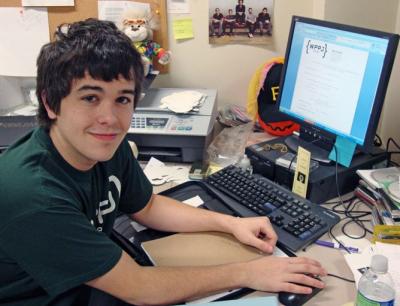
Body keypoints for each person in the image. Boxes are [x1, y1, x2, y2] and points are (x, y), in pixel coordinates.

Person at [0, 18, 327, 306]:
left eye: (123, 99)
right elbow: (140, 288)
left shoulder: (104, 150)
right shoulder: (33, 194)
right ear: (51, 102)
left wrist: (232, 224)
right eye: (90, 98)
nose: (110, 119)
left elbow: (148, 207)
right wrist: (249, 273)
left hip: (83, 282)